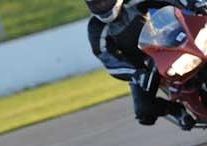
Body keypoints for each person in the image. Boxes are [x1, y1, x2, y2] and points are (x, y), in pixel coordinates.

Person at [86, 0, 207, 130]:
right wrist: (135, 74)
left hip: (166, 47)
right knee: (144, 112)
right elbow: (108, 59)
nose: (102, 6)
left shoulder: (134, 2)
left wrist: (194, 5)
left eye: (104, 1)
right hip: (142, 69)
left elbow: (170, 1)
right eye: (96, 3)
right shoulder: (96, 27)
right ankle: (177, 111)